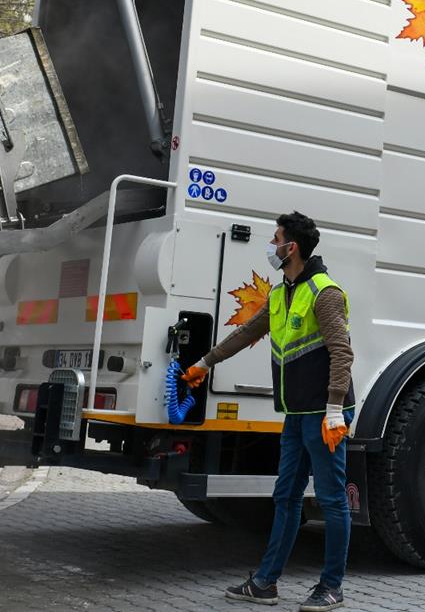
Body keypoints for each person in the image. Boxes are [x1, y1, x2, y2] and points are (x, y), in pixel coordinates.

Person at [182, 211, 355, 611]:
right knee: (286, 497)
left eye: (275, 238)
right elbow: (246, 333)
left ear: (290, 247)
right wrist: (204, 364)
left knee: (331, 500)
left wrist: (334, 411)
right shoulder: (280, 294)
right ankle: (265, 583)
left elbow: (342, 353)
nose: (271, 246)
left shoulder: (325, 293)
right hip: (296, 415)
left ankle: (332, 587)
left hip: (324, 416)